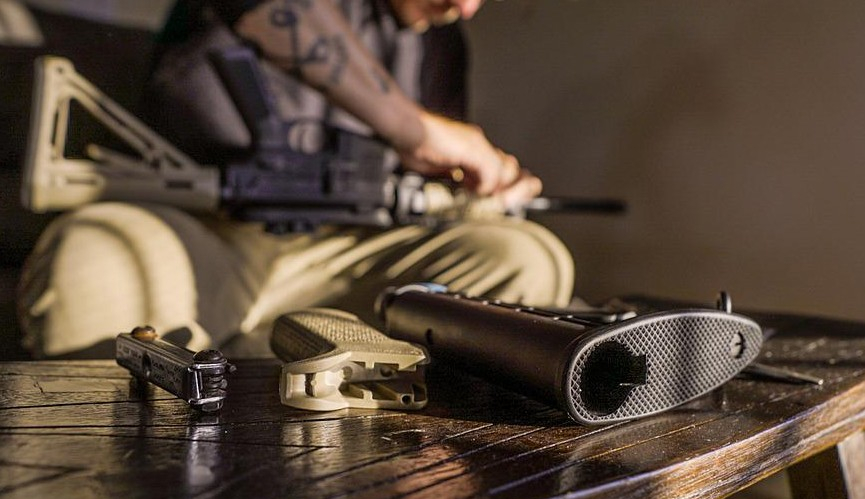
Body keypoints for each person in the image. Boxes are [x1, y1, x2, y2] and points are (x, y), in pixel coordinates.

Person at [17, 0, 575, 358]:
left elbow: (426, 185)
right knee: (91, 266)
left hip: (344, 253)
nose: (465, 7)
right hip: (201, 232)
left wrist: (480, 192)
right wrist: (415, 128)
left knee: (528, 258)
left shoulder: (441, 43)